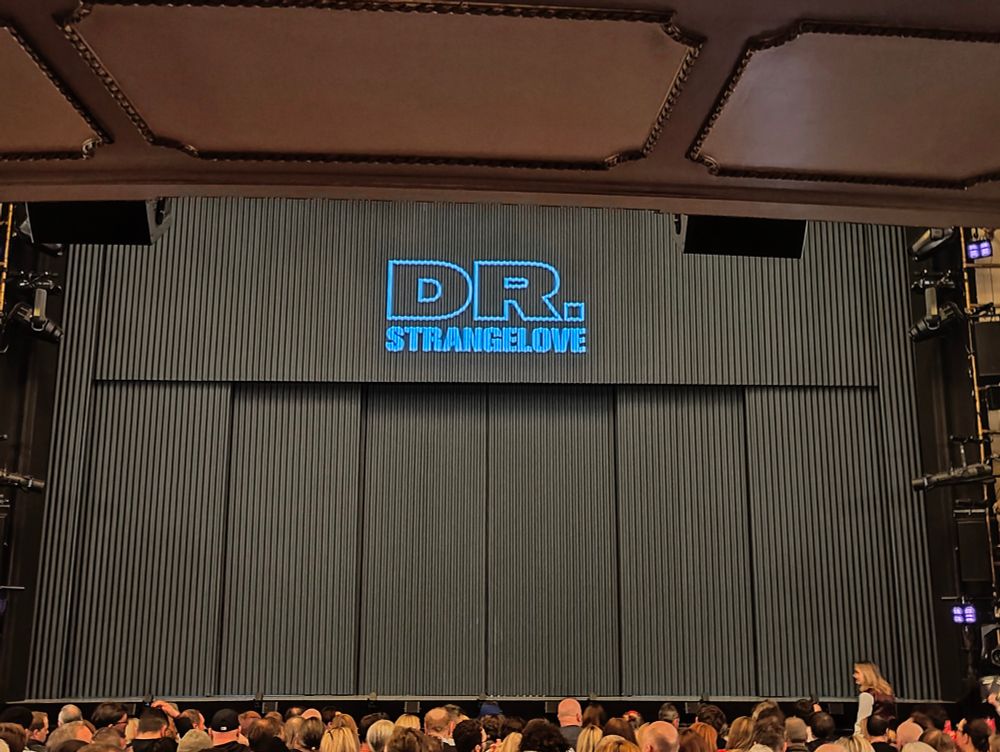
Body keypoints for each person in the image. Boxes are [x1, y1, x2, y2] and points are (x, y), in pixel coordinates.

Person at [853, 663, 896, 736]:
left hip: (872, 736)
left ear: (866, 674)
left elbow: (862, 720)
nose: (854, 676)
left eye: (857, 672)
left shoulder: (867, 695)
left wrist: (858, 736)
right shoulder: (887, 693)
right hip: (888, 735)